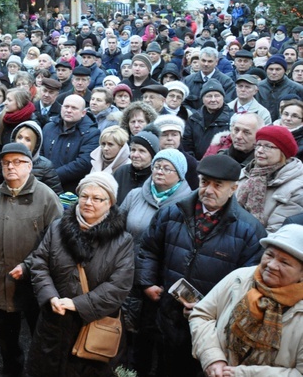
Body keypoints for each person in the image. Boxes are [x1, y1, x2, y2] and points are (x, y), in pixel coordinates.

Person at [135, 154, 266, 377]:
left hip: (210, 325)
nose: (209, 190)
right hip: (163, 312)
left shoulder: (249, 230)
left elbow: (249, 283)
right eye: (205, 182)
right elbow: (148, 250)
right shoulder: (171, 213)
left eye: (218, 185)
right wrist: (147, 282)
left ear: (233, 189)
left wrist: (212, 308)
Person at [26, 172, 134, 377]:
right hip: (53, 322)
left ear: (110, 202)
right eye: (84, 196)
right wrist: (50, 296)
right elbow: (40, 263)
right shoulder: (58, 228)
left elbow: (119, 286)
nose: (88, 202)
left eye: (97, 198)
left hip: (90, 327)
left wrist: (78, 304)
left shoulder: (122, 241)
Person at [0, 143, 63, 376]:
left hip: (36, 283)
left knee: (40, 338)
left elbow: (55, 243)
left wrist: (28, 266)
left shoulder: (46, 197)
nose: (10, 167)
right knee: (6, 340)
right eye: (6, 163)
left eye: (17, 162)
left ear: (30, 165)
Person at [189, 224, 303, 376]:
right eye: (269, 255)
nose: (271, 265)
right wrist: (212, 358)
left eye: (284, 262)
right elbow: (202, 314)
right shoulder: (241, 278)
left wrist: (241, 374)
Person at [119, 149, 192, 373]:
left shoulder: (187, 203)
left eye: (166, 168)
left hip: (161, 280)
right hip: (129, 271)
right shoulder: (135, 195)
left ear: (179, 174)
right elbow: (117, 226)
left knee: (157, 338)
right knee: (129, 334)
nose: (159, 171)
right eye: (157, 166)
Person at [235, 125, 303, 233]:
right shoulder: (246, 173)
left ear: (283, 152)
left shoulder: (296, 189)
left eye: (268, 146)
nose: (260, 151)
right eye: (258, 145)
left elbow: (275, 233)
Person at [41, 95, 100, 193]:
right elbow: (40, 152)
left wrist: (52, 176)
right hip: (44, 186)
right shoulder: (48, 127)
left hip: (70, 190)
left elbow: (83, 163)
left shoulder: (92, 133)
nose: (68, 110)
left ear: (83, 113)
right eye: (66, 106)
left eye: (74, 108)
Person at [0, 121, 64, 194]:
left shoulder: (45, 166)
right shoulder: (4, 161)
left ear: (35, 144)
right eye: (19, 137)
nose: (21, 142)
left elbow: (56, 197)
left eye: (28, 139)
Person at [183, 79, 233, 159]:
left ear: (223, 98)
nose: (213, 100)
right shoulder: (194, 119)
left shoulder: (232, 119)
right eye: (209, 96)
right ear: (202, 99)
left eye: (217, 96)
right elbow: (187, 144)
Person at [112, 130, 161, 205]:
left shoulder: (157, 177)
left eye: (142, 151)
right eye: (133, 150)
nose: (135, 155)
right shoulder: (121, 172)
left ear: (152, 155)